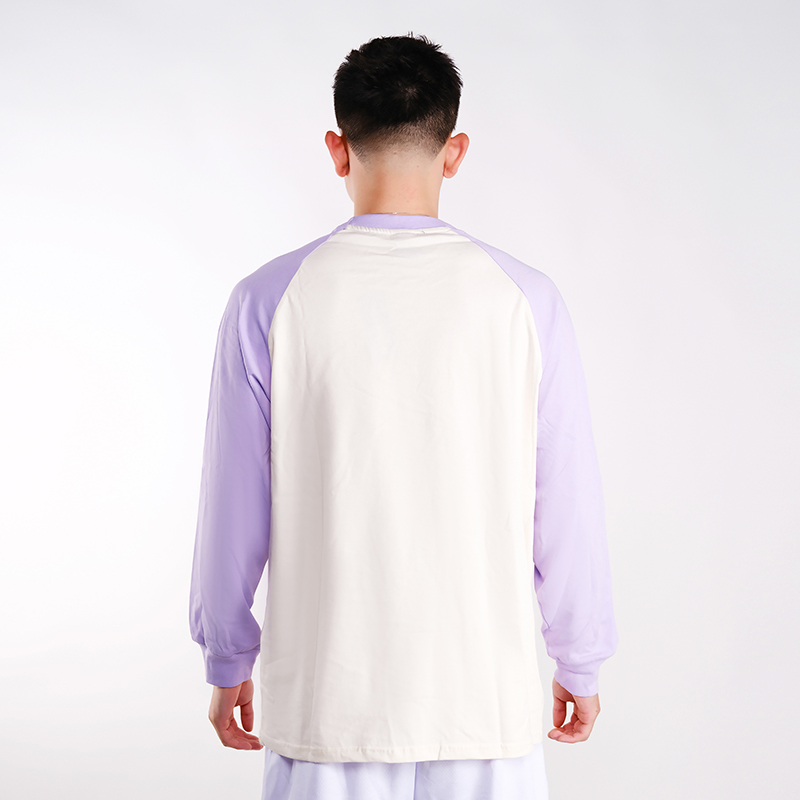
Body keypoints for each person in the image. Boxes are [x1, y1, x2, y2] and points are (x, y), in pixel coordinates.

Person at [189, 33, 619, 800]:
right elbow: (565, 503)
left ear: (337, 149)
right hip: (483, 704)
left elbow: (233, 508)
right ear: (455, 153)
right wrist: (578, 659)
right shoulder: (525, 300)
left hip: (327, 707)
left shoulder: (268, 300)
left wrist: (228, 659)